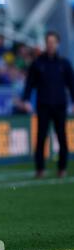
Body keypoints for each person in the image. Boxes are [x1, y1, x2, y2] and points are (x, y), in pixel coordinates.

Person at [22, 31, 74, 178]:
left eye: (53, 42)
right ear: (45, 43)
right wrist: (26, 100)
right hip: (43, 105)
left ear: (57, 44)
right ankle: (40, 169)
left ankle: (62, 168)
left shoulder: (64, 63)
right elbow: (29, 83)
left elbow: (71, 84)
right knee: (41, 137)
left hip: (60, 105)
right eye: (48, 42)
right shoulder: (38, 63)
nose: (50, 45)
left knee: (62, 137)